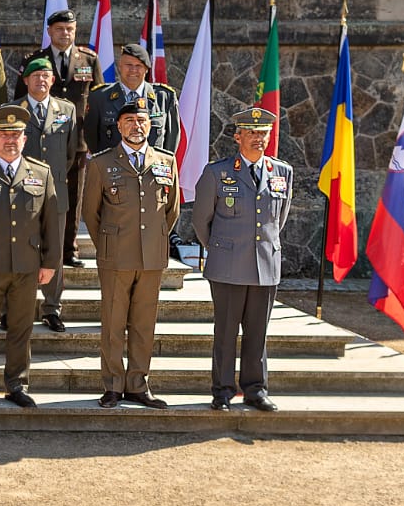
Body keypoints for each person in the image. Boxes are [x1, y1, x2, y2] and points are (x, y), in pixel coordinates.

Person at [0, 105, 65, 409]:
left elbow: (51, 225)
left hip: (27, 266)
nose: (10, 140)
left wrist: (49, 263)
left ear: (25, 139)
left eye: (16, 134)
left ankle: (16, 384)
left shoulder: (40, 174)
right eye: (4, 134)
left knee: (21, 329)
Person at [191, 108, 293, 412]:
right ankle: (222, 391)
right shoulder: (217, 172)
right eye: (252, 132)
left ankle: (255, 389)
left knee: (257, 332)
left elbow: (280, 218)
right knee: (225, 332)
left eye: (263, 133)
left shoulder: (282, 172)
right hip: (228, 267)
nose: (258, 139)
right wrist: (224, 249)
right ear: (238, 136)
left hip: (265, 266)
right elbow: (200, 221)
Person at [82, 99, 179, 408]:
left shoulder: (166, 161)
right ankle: (112, 385)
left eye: (142, 122)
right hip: (116, 256)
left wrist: (154, 238)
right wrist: (109, 245)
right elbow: (90, 213)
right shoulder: (101, 163)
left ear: (149, 126)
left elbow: (172, 209)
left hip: (151, 256)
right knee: (113, 323)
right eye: (129, 122)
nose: (136, 127)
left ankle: (138, 384)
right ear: (119, 126)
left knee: (144, 323)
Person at [28, 10, 100, 266]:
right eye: (59, 29)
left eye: (69, 29)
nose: (65, 33)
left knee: (72, 197)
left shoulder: (89, 60)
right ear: (49, 31)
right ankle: (36, 246)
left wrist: (94, 143)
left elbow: (97, 102)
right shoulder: (37, 60)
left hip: (77, 143)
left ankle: (69, 250)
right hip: (41, 140)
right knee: (35, 195)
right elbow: (20, 100)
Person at [17, 54, 79, 332]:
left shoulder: (67, 110)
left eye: (45, 76)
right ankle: (16, 308)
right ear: (26, 80)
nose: (41, 80)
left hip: (55, 194)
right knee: (18, 251)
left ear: (52, 80)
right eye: (35, 76)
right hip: (19, 196)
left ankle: (52, 308)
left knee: (53, 253)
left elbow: (70, 154)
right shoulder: (14, 110)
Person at [84, 42, 181, 157]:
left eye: (138, 66)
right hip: (112, 169)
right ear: (120, 66)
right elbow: (91, 138)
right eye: (128, 65)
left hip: (152, 169)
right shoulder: (99, 97)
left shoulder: (164, 97)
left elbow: (172, 138)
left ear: (146, 69)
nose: (133, 70)